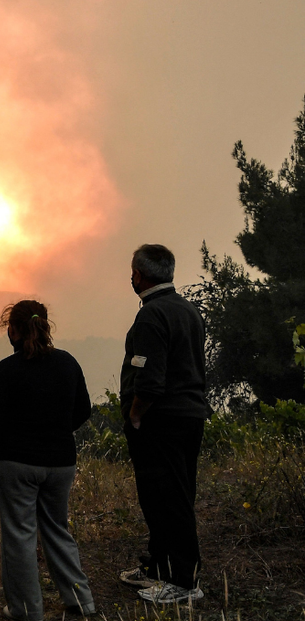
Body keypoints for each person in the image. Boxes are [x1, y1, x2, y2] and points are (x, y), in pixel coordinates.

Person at [0, 300, 96, 620]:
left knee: (19, 535)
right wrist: (57, 431)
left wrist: (5, 444)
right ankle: (81, 599)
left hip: (16, 463)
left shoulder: (7, 369)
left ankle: (27, 609)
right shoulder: (67, 363)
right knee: (58, 528)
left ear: (12, 330)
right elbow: (83, 409)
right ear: (45, 325)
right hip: (61, 461)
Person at [118, 244, 211, 604]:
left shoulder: (151, 316)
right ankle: (159, 567)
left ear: (138, 275)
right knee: (170, 494)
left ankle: (185, 581)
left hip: (162, 421)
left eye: (132, 272)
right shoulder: (188, 310)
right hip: (190, 415)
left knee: (167, 498)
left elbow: (150, 379)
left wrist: (136, 415)